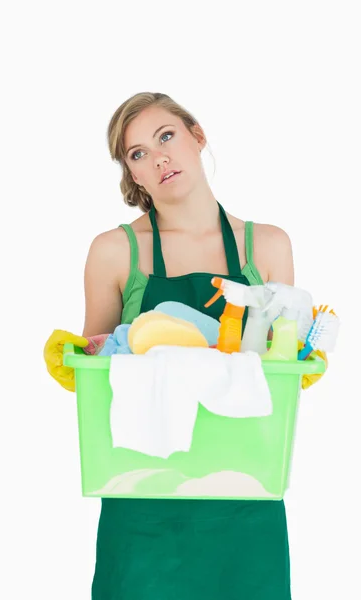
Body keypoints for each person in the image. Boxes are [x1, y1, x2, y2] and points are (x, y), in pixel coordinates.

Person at [44, 91, 326, 599]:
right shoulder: (114, 252)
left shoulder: (268, 245)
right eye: (138, 154)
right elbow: (98, 370)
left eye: (166, 137)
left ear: (198, 136)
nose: (159, 158)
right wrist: (77, 357)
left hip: (246, 496)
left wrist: (302, 361)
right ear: (134, 176)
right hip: (142, 497)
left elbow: (282, 367)